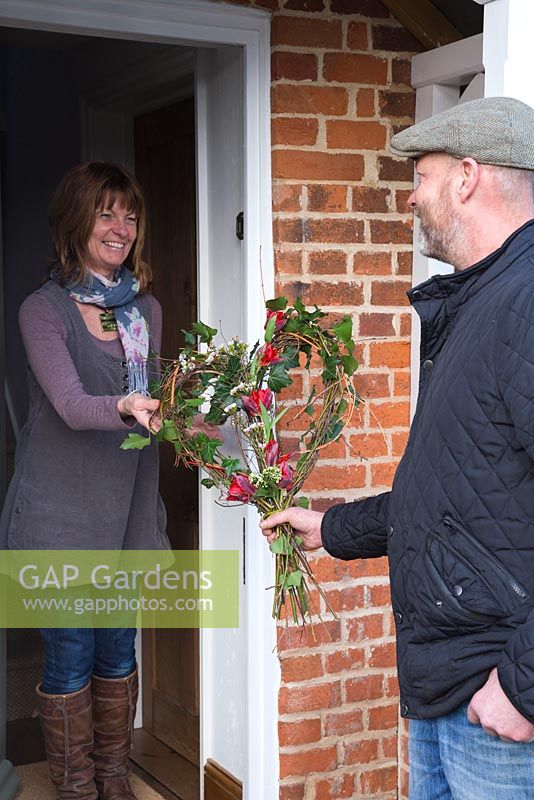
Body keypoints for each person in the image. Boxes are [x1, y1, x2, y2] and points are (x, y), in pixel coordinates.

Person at [262, 97, 534, 800]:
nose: (410, 195)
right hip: (449, 692)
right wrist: (330, 527)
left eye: (422, 174)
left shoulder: (526, 303)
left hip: (499, 704)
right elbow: (456, 490)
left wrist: (524, 687)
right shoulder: (477, 303)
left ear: (468, 176)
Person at [0, 162, 168, 800]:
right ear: (77, 222)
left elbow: (157, 404)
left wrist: (220, 431)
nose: (120, 227)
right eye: (106, 212)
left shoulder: (144, 308)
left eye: (130, 214)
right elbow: (72, 405)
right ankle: (75, 790)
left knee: (119, 653)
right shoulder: (43, 310)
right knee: (71, 653)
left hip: (122, 512)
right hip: (60, 516)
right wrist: (127, 406)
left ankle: (114, 781)